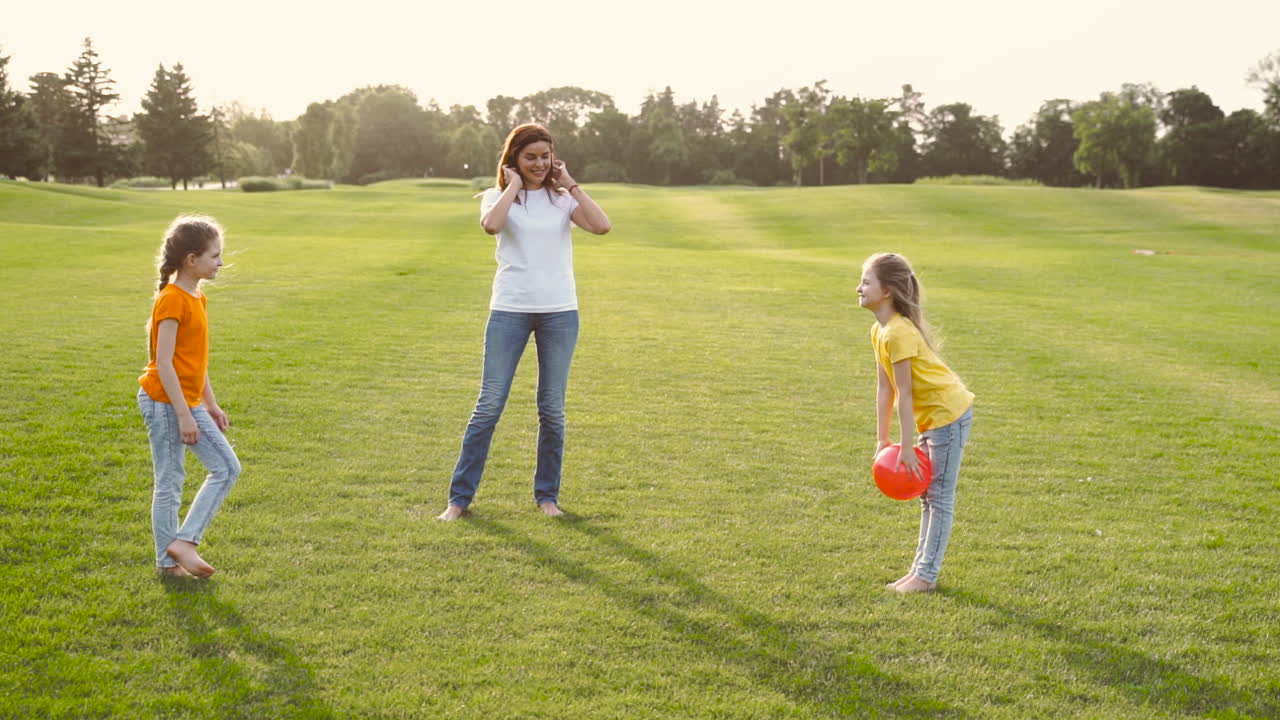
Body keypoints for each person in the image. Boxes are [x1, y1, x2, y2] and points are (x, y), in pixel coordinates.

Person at [437, 124, 611, 521]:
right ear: (514, 158)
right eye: (530, 156)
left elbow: (601, 226)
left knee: (552, 409)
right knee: (489, 405)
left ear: (554, 158)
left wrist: (571, 184)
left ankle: (547, 497)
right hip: (510, 311)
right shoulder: (498, 198)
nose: (538, 163)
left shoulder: (562, 200)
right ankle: (458, 501)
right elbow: (492, 226)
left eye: (544, 156)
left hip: (560, 312)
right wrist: (513, 186)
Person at [857, 252, 974, 593]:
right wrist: (882, 440)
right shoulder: (880, 332)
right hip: (933, 418)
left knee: (937, 497)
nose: (859, 288)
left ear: (888, 291)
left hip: (947, 414)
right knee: (927, 497)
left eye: (866, 282)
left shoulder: (898, 333)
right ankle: (919, 572)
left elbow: (905, 394)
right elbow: (885, 389)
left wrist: (906, 446)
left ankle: (926, 575)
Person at [137, 215, 241, 577]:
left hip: (186, 399)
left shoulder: (198, 297)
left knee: (222, 469)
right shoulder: (171, 300)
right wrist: (184, 415)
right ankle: (176, 554)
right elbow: (164, 364)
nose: (220, 263)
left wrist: (210, 404)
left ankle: (176, 554)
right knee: (180, 478)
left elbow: (196, 360)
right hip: (165, 400)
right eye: (214, 256)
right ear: (190, 259)